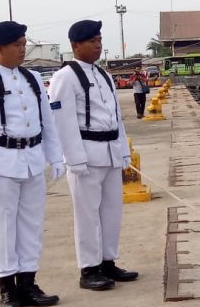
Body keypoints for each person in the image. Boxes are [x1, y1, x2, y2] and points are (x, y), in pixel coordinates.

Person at [0, 21, 65, 307]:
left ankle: (28, 283)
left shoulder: (33, 79)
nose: (23, 50)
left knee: (31, 226)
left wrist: (55, 158)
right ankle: (7, 289)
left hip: (32, 161)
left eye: (24, 44)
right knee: (0, 230)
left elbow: (49, 124)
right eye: (17, 45)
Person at [48, 20, 138, 291]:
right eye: (91, 41)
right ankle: (89, 268)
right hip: (86, 154)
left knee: (112, 212)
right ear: (75, 45)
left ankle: (108, 260)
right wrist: (74, 158)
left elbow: (116, 118)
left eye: (99, 39)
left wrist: (123, 152)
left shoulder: (103, 75)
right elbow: (62, 121)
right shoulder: (66, 77)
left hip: (110, 152)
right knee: (87, 214)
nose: (98, 45)